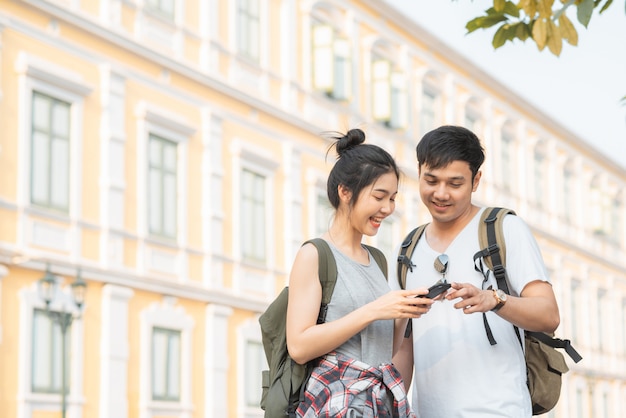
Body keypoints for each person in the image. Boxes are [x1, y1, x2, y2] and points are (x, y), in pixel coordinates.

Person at [391, 125, 560, 418]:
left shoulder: (505, 228)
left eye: (455, 183)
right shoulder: (408, 247)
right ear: (418, 172)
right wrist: (390, 407)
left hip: (499, 411)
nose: (440, 193)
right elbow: (404, 346)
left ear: (476, 180)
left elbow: (548, 315)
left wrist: (495, 300)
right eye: (431, 180)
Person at [286, 128, 429, 417]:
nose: (388, 209)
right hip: (335, 404)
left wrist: (403, 312)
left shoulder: (377, 259)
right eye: (379, 197)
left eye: (392, 198)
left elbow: (382, 351)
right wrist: (375, 309)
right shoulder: (314, 254)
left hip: (376, 405)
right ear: (345, 192)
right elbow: (299, 346)